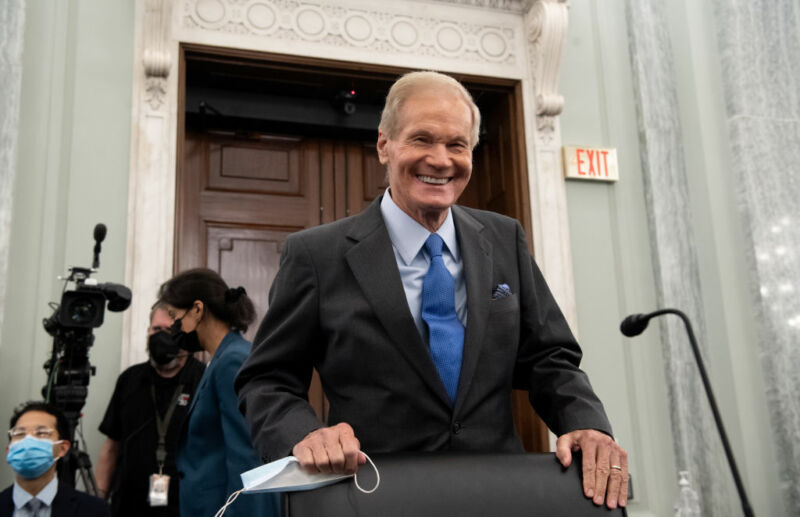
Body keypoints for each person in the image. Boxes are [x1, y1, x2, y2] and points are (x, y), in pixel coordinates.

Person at [235, 71, 629, 509]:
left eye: (457, 145)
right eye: (422, 139)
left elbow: (548, 357)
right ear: (385, 144)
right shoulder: (316, 254)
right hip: (376, 495)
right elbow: (266, 380)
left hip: (498, 495)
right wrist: (304, 434)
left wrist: (586, 423)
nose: (441, 160)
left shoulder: (503, 238)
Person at [155, 269, 279, 517]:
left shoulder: (232, 361)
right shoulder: (220, 360)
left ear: (197, 309)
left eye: (173, 315)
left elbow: (247, 459)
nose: (171, 326)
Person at [95, 303, 205, 516]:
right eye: (156, 330)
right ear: (147, 332)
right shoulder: (129, 379)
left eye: (170, 330)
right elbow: (111, 447)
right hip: (129, 506)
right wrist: (97, 502)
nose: (162, 337)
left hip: (186, 507)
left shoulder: (204, 379)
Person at [2, 401, 110, 516]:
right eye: (20, 434)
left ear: (62, 448)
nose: (28, 440)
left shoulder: (93, 510)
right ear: (9, 450)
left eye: (41, 433)